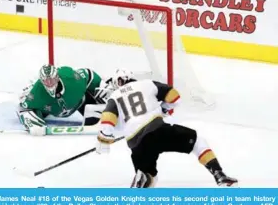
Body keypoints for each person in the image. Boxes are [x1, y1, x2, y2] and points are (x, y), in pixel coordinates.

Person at [95, 69, 238, 188]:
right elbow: (174, 96)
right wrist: (164, 108)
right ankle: (220, 175)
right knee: (197, 141)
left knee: (149, 178)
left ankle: (142, 178)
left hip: (136, 145)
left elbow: (108, 120)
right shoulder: (146, 84)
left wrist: (104, 139)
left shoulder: (114, 97)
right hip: (156, 130)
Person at [17, 64, 114, 136]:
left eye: (52, 80)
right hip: (50, 109)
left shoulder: (72, 79)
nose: (50, 84)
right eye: (46, 81)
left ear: (57, 77)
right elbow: (22, 108)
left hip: (80, 102)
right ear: (41, 81)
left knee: (100, 115)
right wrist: (31, 123)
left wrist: (102, 84)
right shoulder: (36, 92)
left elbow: (88, 74)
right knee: (35, 113)